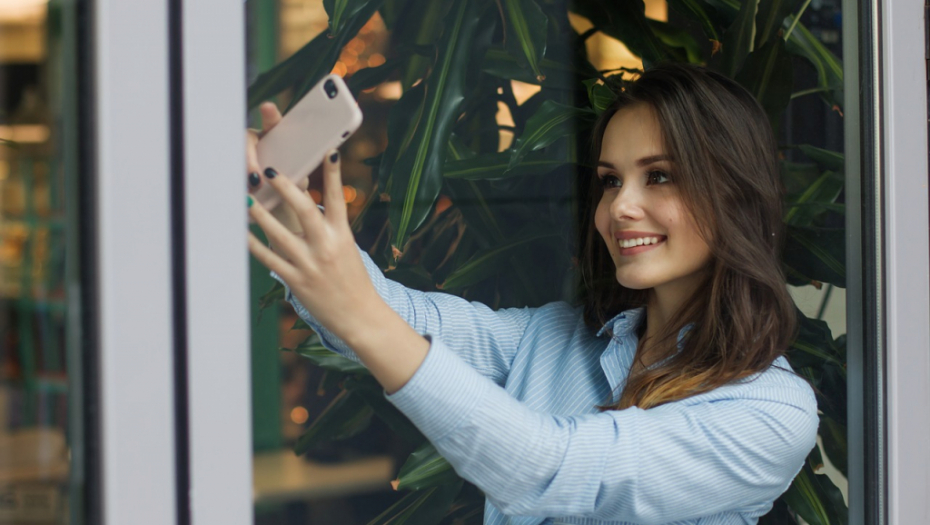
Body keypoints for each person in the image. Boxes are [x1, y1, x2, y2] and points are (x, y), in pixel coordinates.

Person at [245, 63, 819, 525]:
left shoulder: (769, 412)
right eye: (611, 180)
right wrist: (281, 197)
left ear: (735, 197)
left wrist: (366, 319)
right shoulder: (553, 337)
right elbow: (408, 319)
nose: (619, 207)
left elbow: (551, 470)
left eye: (660, 175)